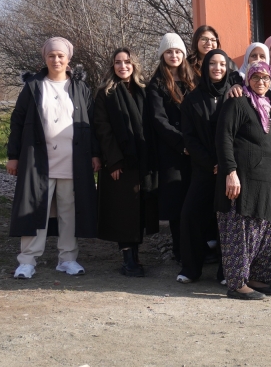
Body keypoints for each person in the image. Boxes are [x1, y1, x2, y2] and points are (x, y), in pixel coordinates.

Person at [9, 37, 100, 279]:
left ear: (68, 59)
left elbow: (92, 123)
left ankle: (67, 259)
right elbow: (17, 121)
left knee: (69, 212)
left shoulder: (81, 88)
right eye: (51, 56)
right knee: (34, 209)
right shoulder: (33, 86)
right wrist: (13, 156)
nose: (56, 60)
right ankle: (27, 261)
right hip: (38, 161)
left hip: (73, 161)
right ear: (45, 58)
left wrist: (95, 154)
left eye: (61, 56)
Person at [215, 61, 271, 300]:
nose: (261, 82)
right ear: (248, 79)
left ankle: (256, 278)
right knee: (240, 231)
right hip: (243, 180)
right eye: (256, 77)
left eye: (266, 78)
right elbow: (224, 137)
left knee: (265, 231)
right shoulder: (237, 103)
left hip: (269, 181)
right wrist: (230, 172)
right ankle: (237, 283)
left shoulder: (267, 105)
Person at [94, 48, 158, 277]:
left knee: (138, 210)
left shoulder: (144, 90)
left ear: (134, 65)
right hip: (119, 162)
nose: (123, 66)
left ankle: (136, 256)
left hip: (142, 160)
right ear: (112, 66)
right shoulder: (105, 93)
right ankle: (128, 260)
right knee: (123, 212)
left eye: (127, 62)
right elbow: (102, 129)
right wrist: (114, 161)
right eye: (118, 62)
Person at [177, 49, 232, 283]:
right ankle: (190, 269)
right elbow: (189, 137)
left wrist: (225, 164)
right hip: (203, 170)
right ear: (206, 67)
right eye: (213, 64)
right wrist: (211, 164)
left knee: (227, 220)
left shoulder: (235, 95)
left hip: (230, 171)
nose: (218, 68)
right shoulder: (192, 99)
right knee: (190, 215)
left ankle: (226, 272)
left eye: (222, 64)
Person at [145, 33, 196, 262]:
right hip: (171, 152)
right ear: (162, 55)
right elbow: (158, 120)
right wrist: (181, 144)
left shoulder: (192, 80)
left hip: (195, 149)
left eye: (177, 51)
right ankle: (180, 249)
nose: (174, 55)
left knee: (194, 200)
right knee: (176, 203)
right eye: (169, 52)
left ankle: (197, 248)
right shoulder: (156, 85)